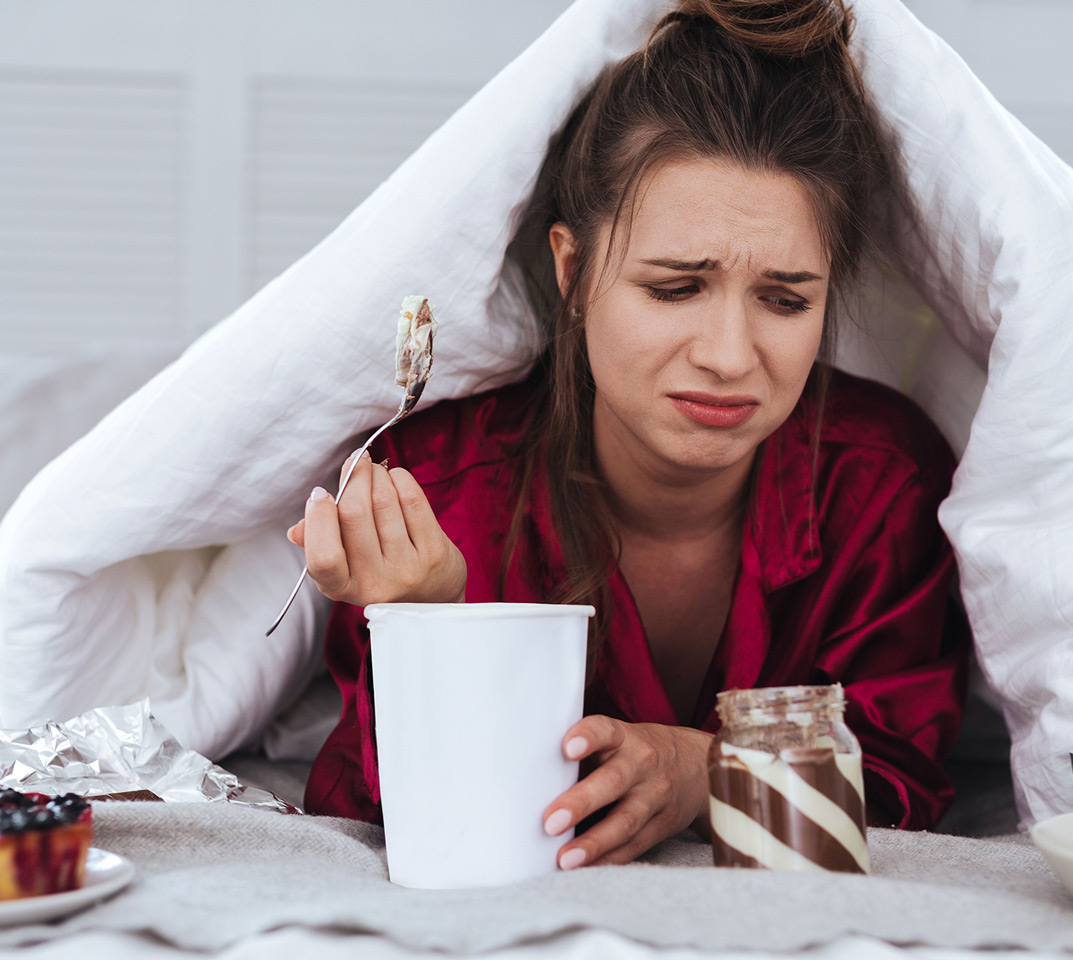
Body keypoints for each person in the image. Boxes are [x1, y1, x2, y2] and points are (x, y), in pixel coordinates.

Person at [289, 0, 968, 868]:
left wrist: (713, 773)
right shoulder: (436, 490)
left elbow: (909, 775)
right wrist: (429, 626)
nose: (729, 357)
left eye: (786, 299)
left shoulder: (881, 484)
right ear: (572, 271)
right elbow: (358, 808)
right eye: (675, 289)